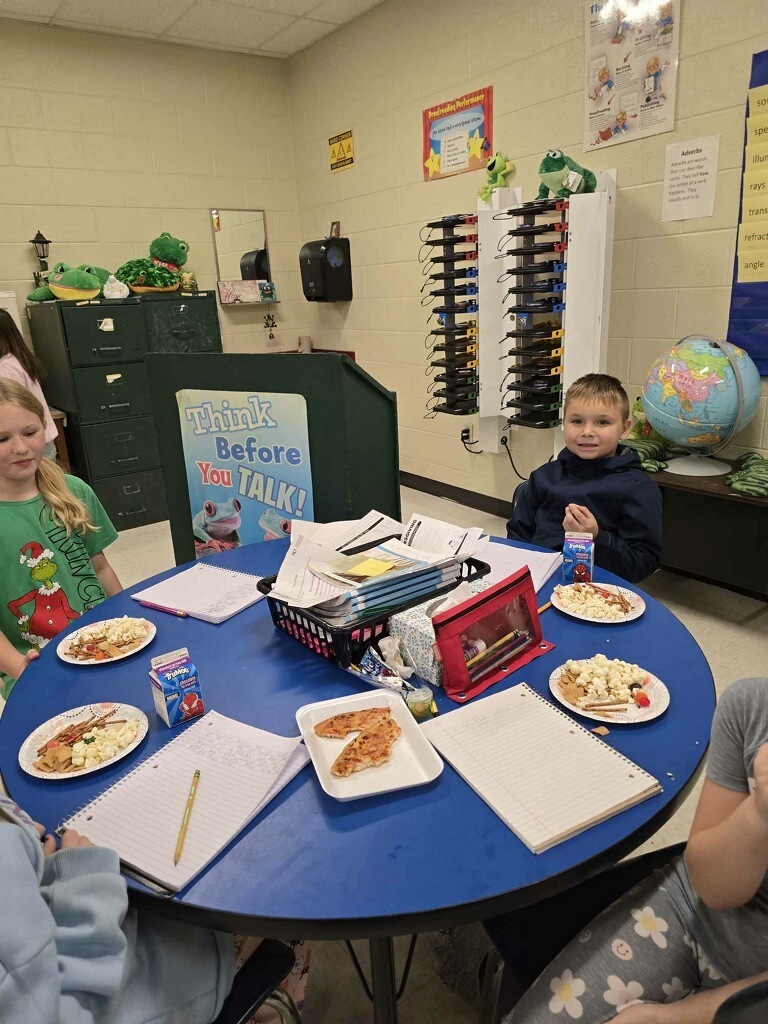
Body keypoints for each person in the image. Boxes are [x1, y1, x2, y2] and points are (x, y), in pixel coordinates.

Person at [497, 677, 768, 1023]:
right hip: (693, 916)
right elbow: (711, 888)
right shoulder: (753, 708)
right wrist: (759, 812)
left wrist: (672, 1017)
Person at [0, 380, 122, 700]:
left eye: (30, 432)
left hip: (104, 642)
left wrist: (128, 618)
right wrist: (19, 669)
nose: (21, 448)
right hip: (37, 666)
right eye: (2, 438)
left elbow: (100, 566)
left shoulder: (73, 491)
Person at [506, 374, 662, 584]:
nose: (587, 432)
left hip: (597, 591)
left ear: (624, 429)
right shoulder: (544, 476)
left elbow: (642, 565)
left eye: (602, 422)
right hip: (537, 580)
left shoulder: (638, 489)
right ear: (564, 424)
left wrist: (597, 537)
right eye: (577, 421)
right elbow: (517, 536)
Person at [0, 308, 58, 461]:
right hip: (38, 439)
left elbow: (12, 409)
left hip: (30, 444)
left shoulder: (6, 368)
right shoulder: (17, 359)